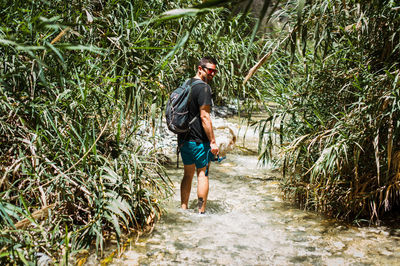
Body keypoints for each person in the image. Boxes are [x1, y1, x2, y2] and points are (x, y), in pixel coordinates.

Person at [178, 56, 219, 214]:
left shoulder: (186, 84)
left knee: (187, 174)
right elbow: (204, 117)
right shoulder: (204, 88)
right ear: (200, 68)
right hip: (199, 140)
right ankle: (201, 213)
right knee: (203, 174)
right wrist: (213, 142)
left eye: (215, 71)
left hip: (183, 139)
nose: (212, 74)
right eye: (210, 70)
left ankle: (183, 209)